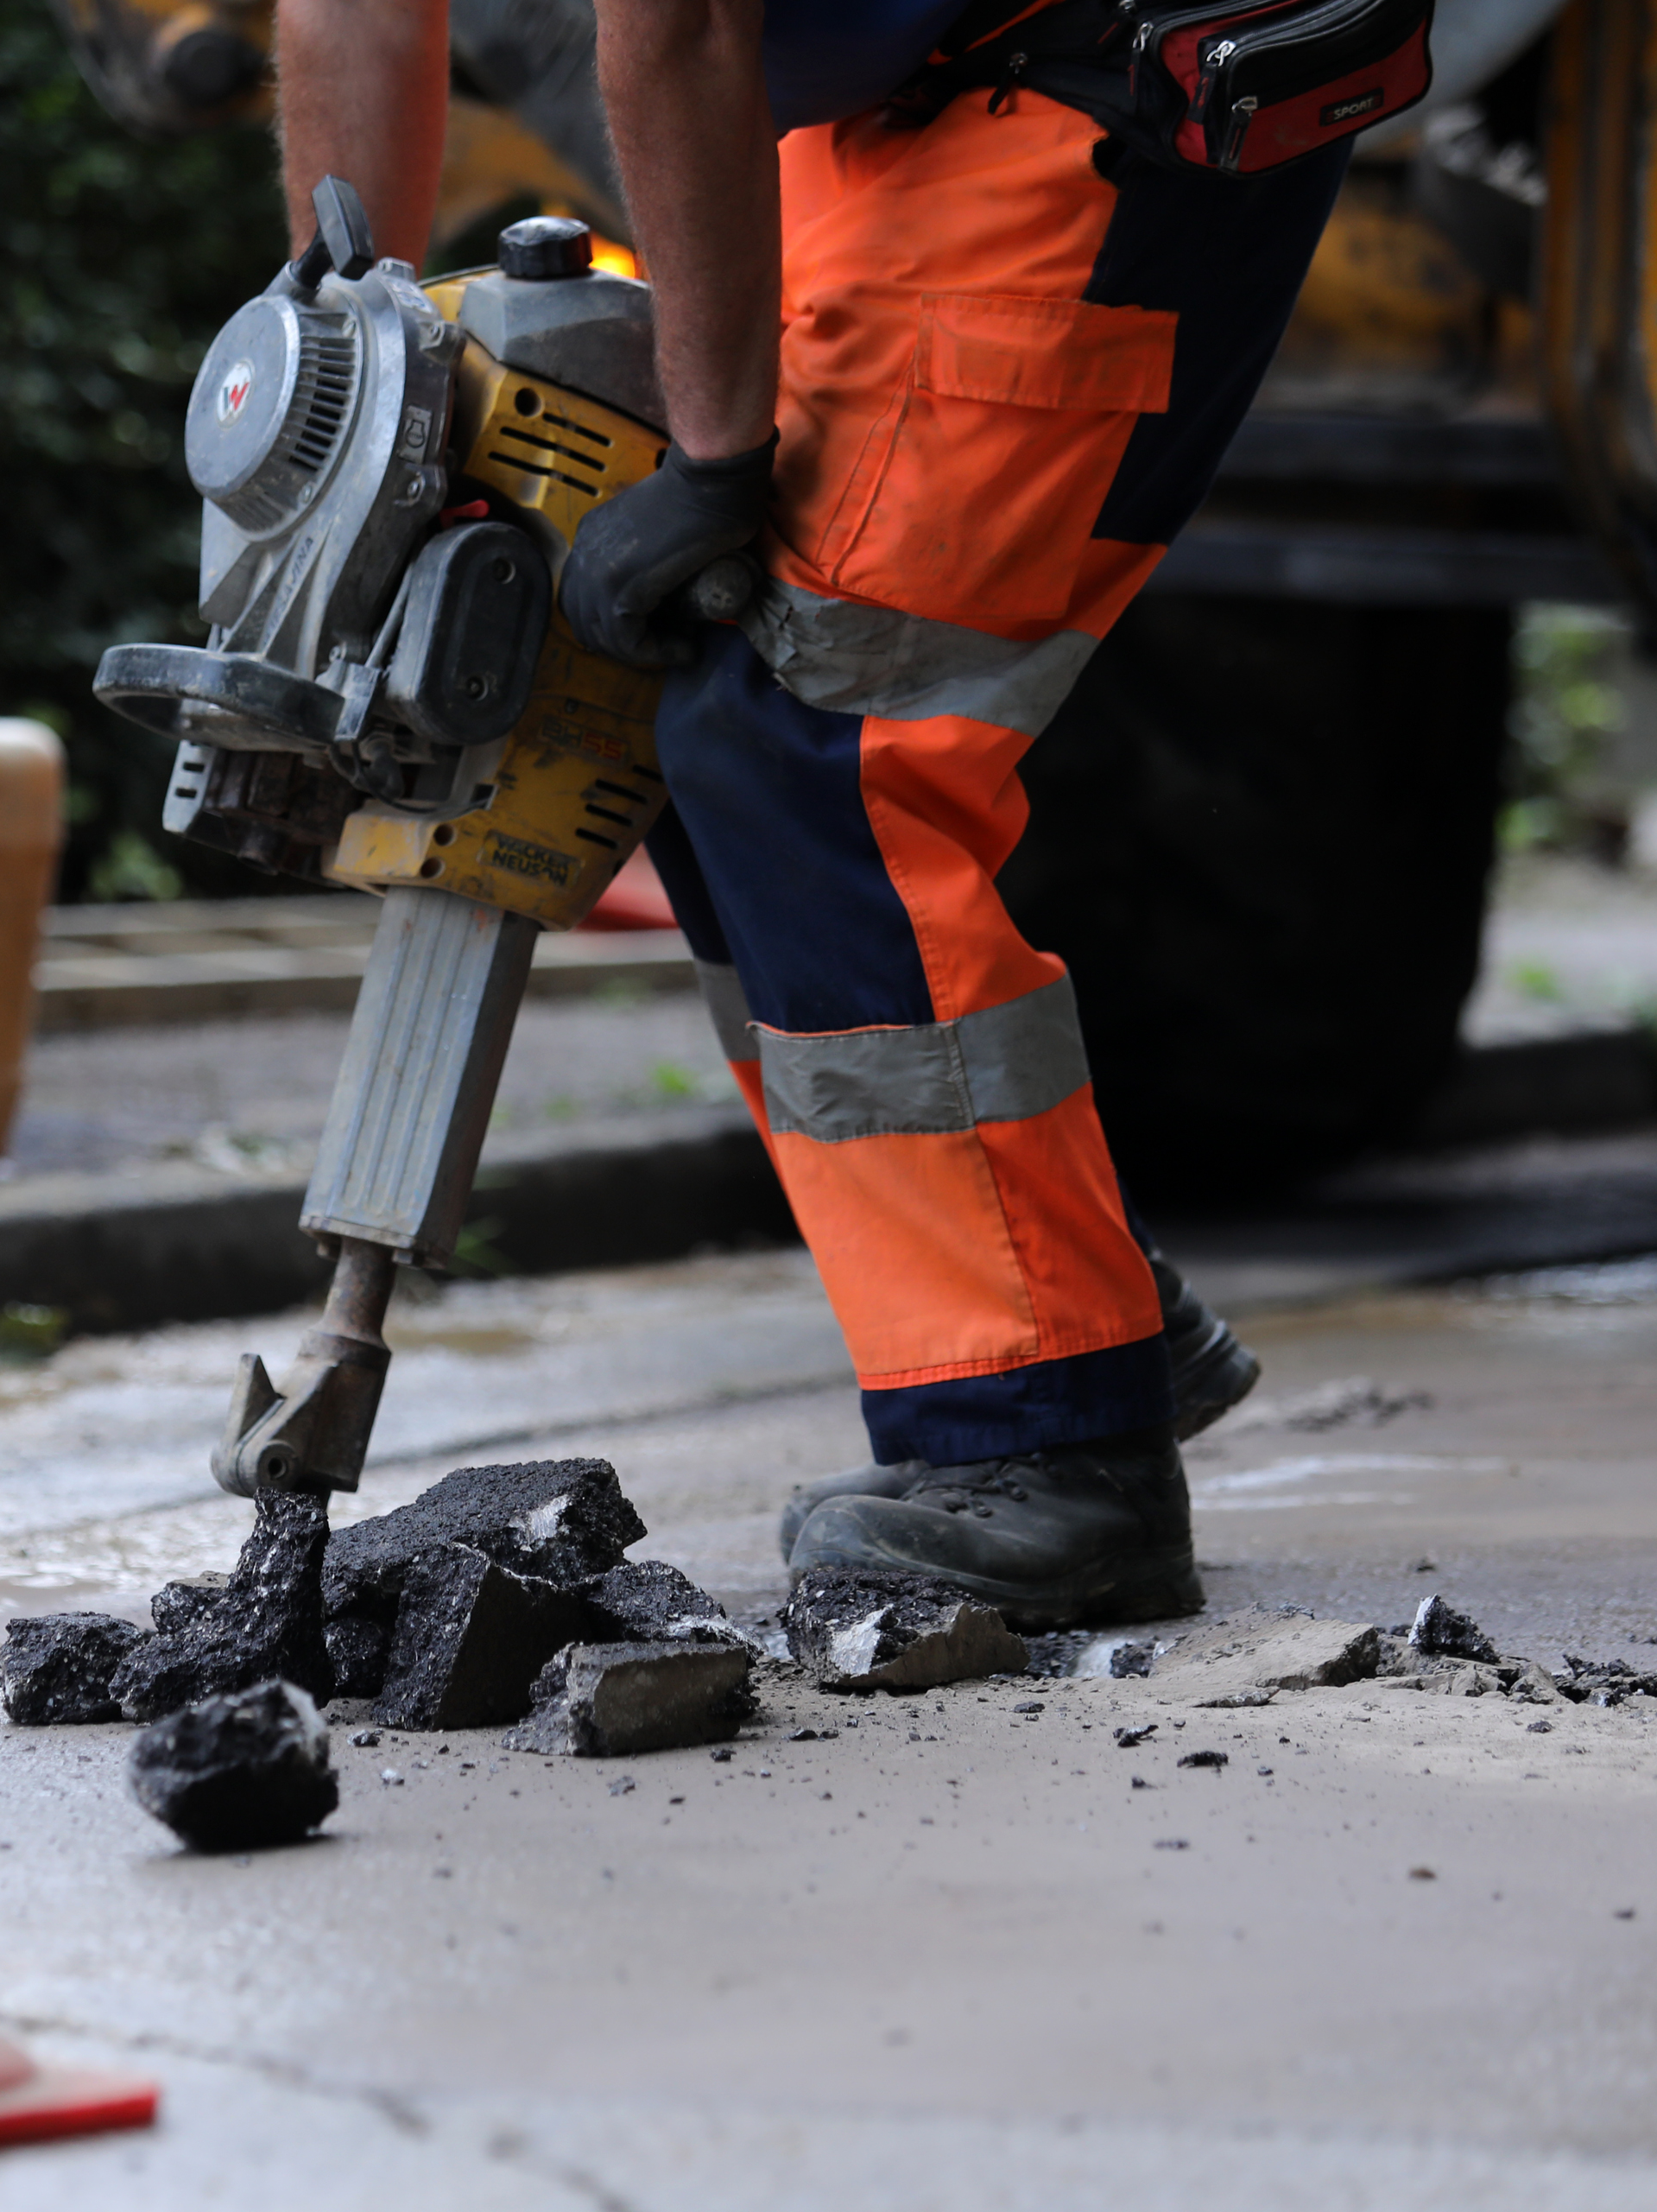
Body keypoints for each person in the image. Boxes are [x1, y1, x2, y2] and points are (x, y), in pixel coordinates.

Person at [272, 0, 1352, 1626]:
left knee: (814, 733)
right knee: (696, 713)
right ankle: (1063, 1289)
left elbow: (685, 15)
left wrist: (715, 461)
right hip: (921, 88)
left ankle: (1054, 1449)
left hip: (1114, 56)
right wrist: (355, 387)